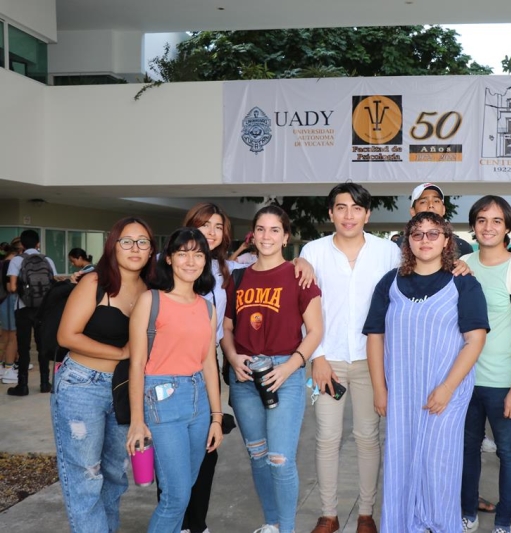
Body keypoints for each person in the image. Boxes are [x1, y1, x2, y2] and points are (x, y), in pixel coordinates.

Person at [363, 212, 489, 533]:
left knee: (438, 469)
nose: (425, 240)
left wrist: (447, 387)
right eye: (417, 234)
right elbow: (375, 336)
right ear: (408, 242)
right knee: (401, 465)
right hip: (402, 393)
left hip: (446, 393)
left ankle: (441, 526)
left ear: (447, 240)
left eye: (433, 234)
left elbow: (475, 340)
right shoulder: (390, 283)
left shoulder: (464, 283)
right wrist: (380, 388)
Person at [300, 182, 401, 533]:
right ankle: (328, 513)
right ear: (330, 212)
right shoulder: (312, 251)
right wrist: (318, 356)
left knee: (367, 437)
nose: (348, 215)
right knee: (326, 438)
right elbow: (305, 309)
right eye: (341, 207)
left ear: (367, 214)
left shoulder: (388, 252)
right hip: (328, 360)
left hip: (372, 361)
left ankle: (366, 514)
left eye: (356, 208)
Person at [222, 205, 323, 533]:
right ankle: (272, 523)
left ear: (286, 236)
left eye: (275, 230)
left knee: (280, 458)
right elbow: (225, 329)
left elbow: (317, 331)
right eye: (261, 229)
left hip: (285, 372)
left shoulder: (299, 276)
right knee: (258, 454)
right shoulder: (237, 277)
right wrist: (233, 357)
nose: (267, 236)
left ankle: (288, 528)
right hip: (244, 374)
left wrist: (290, 367)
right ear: (253, 235)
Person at [50, 216, 155, 532]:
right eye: (126, 241)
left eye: (143, 242)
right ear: (113, 246)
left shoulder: (152, 288)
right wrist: (122, 353)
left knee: (113, 474)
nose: (134, 248)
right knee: (86, 473)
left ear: (151, 250)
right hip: (82, 385)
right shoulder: (95, 283)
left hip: (122, 389)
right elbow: (67, 335)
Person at [126, 227, 223, 533]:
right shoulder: (150, 300)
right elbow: (137, 363)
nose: (191, 261)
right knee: (176, 496)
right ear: (169, 259)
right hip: (162, 401)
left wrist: (217, 418)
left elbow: (209, 363)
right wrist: (137, 421)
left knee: (187, 487)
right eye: (183, 254)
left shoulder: (207, 307)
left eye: (198, 254)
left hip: (198, 402)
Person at [460, 195, 511, 533]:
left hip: (503, 381)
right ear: (473, 226)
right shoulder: (461, 263)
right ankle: (467, 512)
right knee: (466, 451)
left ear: (507, 227)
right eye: (481, 220)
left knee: (508, 452)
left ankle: (505, 520)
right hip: (463, 379)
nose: (488, 227)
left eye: (496, 221)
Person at [7, 229, 57, 395]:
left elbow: (13, 287)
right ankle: (45, 383)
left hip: (23, 309)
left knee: (24, 347)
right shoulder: (47, 260)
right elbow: (54, 283)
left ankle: (23, 385)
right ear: (38, 244)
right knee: (42, 345)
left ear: (22, 244)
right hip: (43, 310)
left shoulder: (17, 260)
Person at [407, 182, 474, 257]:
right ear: (412, 211)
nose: (431, 205)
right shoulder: (397, 247)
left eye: (436, 201)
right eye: (423, 202)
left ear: (443, 209)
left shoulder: (463, 247)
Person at [1, 244, 20, 383]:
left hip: (2, 302)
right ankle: (8, 369)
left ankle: (4, 367)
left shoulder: (2, 262)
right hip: (8, 300)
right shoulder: (10, 264)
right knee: (12, 336)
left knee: (5, 336)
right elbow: (10, 287)